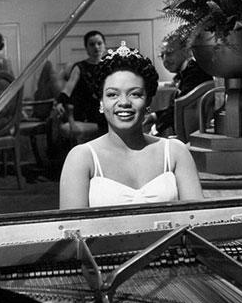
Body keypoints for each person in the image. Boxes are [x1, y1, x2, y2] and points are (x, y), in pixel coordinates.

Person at [59, 44, 204, 209]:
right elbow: (71, 230)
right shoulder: (81, 158)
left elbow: (198, 222)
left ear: (148, 102)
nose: (124, 103)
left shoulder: (175, 152)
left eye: (135, 94)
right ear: (101, 102)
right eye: (112, 94)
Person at [143, 27, 212, 136]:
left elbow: (180, 107)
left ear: (186, 52)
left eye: (169, 53)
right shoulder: (187, 72)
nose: (165, 60)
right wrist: (153, 116)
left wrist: (156, 128)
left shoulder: (196, 73)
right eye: (162, 55)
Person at [55, 30, 108, 138]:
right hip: (86, 110)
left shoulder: (109, 66)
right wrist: (59, 102)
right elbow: (68, 89)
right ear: (86, 48)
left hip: (105, 107)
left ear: (104, 45)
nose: (96, 47)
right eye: (92, 44)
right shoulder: (80, 67)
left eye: (99, 43)